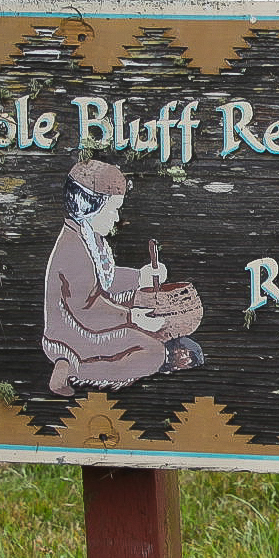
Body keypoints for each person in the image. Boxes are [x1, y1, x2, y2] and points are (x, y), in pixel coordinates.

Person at [41, 160, 202, 394]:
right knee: (154, 353)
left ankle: (76, 362)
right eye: (113, 210)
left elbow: (106, 280)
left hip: (90, 322)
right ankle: (74, 368)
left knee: (146, 310)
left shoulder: (88, 239)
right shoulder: (73, 249)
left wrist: (141, 277)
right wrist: (132, 317)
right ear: (90, 207)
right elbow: (88, 309)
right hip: (74, 334)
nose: (116, 218)